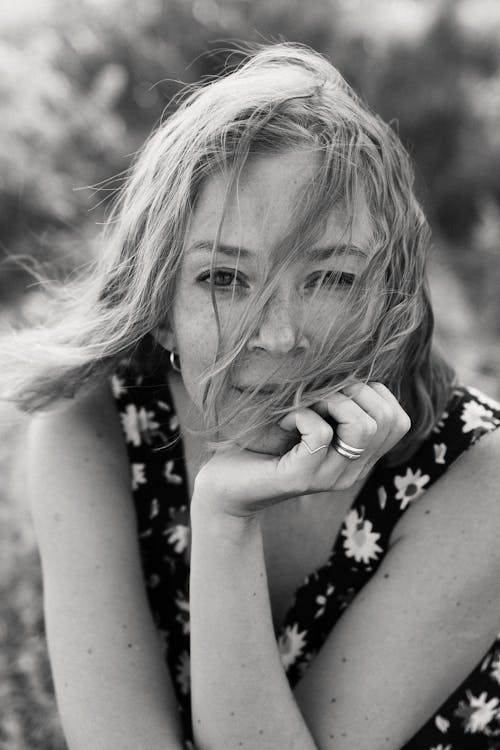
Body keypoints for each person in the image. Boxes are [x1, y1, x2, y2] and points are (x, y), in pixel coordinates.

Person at [2, 42, 500, 750]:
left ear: (388, 296)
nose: (278, 334)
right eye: (224, 279)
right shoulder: (94, 434)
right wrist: (223, 511)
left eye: (331, 278)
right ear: (160, 300)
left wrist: (228, 522)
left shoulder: (480, 476)